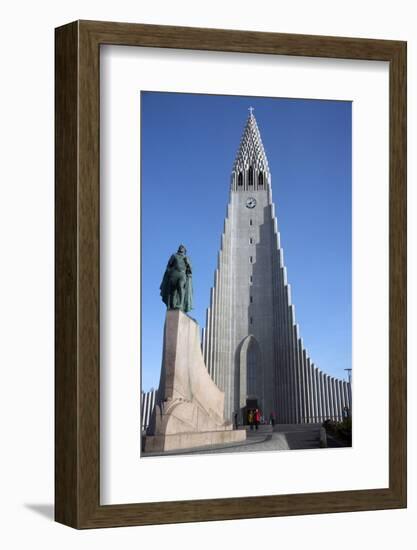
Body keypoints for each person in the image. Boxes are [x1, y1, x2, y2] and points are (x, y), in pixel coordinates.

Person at [160, 244, 193, 312]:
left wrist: (187, 262)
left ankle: (180, 304)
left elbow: (190, 270)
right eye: (180, 247)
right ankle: (172, 305)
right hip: (174, 274)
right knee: (172, 291)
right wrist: (169, 272)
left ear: (184, 250)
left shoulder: (186, 258)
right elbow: (168, 266)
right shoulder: (174, 255)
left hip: (182, 274)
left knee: (180, 287)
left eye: (183, 248)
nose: (181, 248)